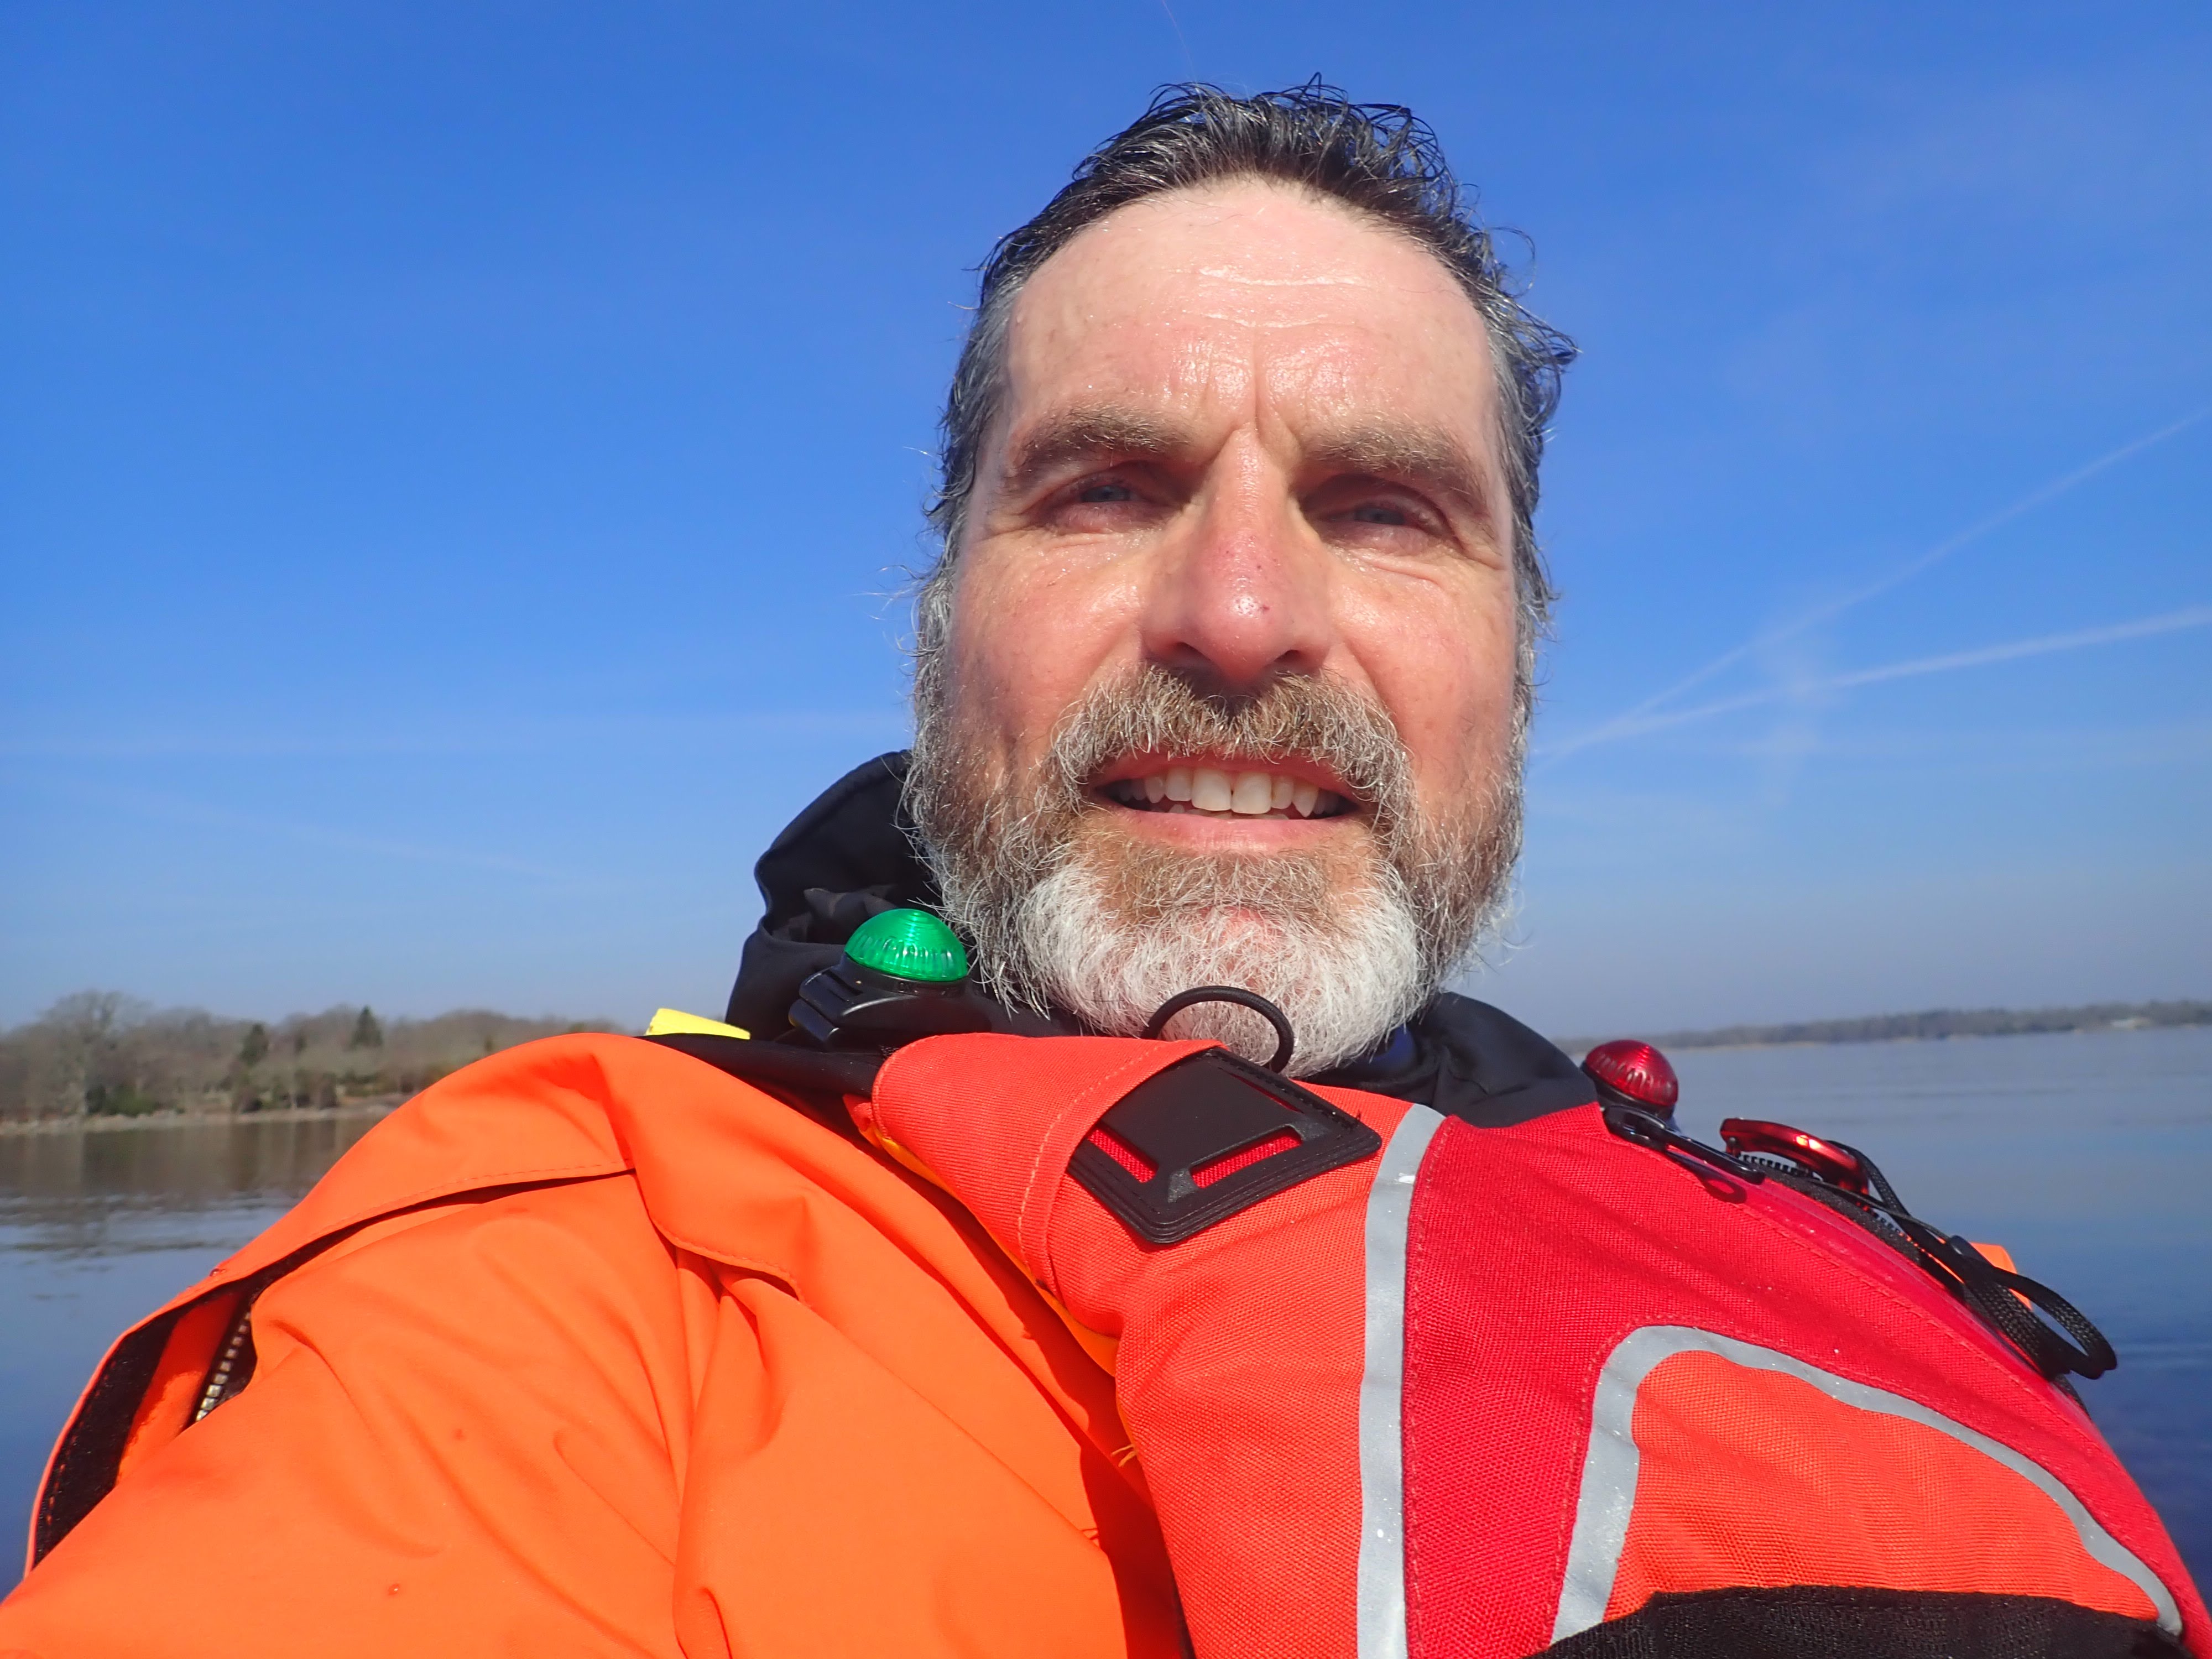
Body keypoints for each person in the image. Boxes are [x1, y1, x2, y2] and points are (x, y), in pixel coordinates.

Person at [1, 85, 2200, 1659]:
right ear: (937, 624)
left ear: (1519, 662)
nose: (1239, 614)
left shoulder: (1793, 1252)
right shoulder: (554, 1315)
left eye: (1383, 507)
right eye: (1107, 488)